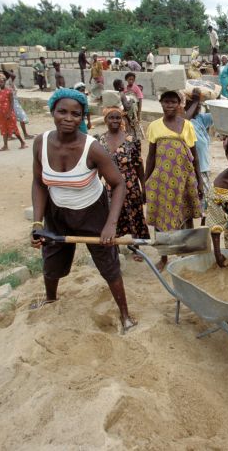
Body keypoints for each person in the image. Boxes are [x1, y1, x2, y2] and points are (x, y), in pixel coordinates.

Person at [30, 89, 135, 332]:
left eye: (75, 114)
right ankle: (50, 298)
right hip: (57, 212)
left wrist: (111, 224)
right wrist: (37, 223)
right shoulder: (40, 143)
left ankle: (125, 315)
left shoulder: (93, 148)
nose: (68, 118)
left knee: (108, 263)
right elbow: (38, 182)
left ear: (83, 118)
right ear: (53, 112)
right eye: (62, 112)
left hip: (92, 212)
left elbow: (118, 184)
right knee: (52, 258)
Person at [144, 90, 203, 271]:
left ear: (179, 104)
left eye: (173, 102)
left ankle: (185, 255)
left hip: (184, 181)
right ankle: (163, 258)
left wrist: (199, 180)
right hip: (161, 183)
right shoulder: (154, 126)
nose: (169, 105)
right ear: (160, 103)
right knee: (161, 220)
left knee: (185, 217)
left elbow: (195, 156)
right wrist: (145, 182)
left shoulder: (187, 126)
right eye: (166, 102)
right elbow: (151, 156)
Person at [99, 106, 150, 262]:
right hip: (110, 186)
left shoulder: (131, 140)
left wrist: (143, 186)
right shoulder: (100, 140)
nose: (115, 121)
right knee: (112, 215)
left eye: (117, 117)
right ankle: (114, 247)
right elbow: (99, 166)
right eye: (111, 118)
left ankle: (135, 248)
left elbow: (139, 165)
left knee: (134, 214)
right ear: (105, 120)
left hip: (130, 185)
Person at [184, 88, 213, 221]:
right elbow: (185, 118)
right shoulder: (184, 121)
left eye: (199, 105)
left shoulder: (200, 119)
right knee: (189, 203)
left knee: (205, 202)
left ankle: (202, 228)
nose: (198, 107)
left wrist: (211, 99)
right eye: (194, 105)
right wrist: (196, 99)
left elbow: (217, 115)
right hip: (191, 169)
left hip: (204, 168)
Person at [0, 74, 28, 151]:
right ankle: (5, 146)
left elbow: (11, 103)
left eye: (2, 82)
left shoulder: (9, 91)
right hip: (1, 115)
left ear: (5, 82)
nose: (0, 84)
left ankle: (22, 142)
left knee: (13, 129)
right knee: (4, 130)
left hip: (9, 114)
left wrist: (9, 113)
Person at [3, 69, 33, 140]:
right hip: (13, 102)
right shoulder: (8, 81)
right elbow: (13, 75)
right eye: (10, 72)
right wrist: (4, 69)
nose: (12, 74)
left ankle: (10, 135)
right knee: (22, 117)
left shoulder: (7, 82)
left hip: (13, 101)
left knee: (12, 118)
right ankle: (25, 134)